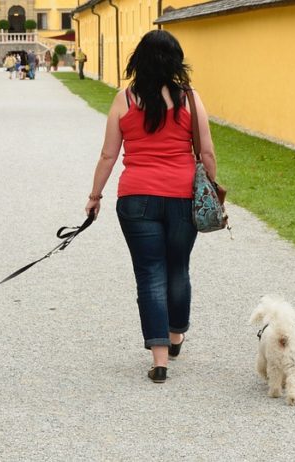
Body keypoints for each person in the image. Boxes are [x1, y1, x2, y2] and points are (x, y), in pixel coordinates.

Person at [84, 30, 217, 384]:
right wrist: (213, 190)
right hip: (182, 197)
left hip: (136, 198)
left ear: (138, 60)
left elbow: (109, 154)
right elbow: (206, 152)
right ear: (176, 61)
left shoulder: (124, 99)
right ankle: (175, 336)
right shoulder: (190, 98)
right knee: (178, 267)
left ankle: (160, 360)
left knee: (149, 273)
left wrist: (95, 195)